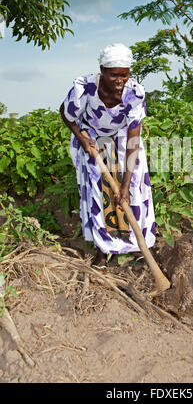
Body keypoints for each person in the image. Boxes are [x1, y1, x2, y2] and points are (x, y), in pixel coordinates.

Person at [60, 43, 156, 264]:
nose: (120, 80)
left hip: (123, 139)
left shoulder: (134, 93)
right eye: (114, 75)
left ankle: (134, 245)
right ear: (102, 70)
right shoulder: (84, 88)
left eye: (124, 74)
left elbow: (133, 139)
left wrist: (125, 185)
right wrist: (81, 136)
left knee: (133, 189)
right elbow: (66, 114)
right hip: (92, 138)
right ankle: (103, 250)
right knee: (98, 190)